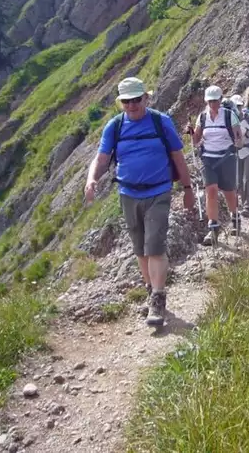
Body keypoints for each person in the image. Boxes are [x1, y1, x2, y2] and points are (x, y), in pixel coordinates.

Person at [84, 77, 194, 327]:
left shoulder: (160, 121)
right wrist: (91, 180)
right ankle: (150, 289)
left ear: (146, 97)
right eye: (127, 101)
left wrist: (187, 189)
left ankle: (157, 298)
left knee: (154, 244)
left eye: (136, 99)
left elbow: (178, 157)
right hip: (128, 193)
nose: (132, 105)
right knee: (140, 248)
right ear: (120, 102)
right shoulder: (115, 126)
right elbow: (102, 159)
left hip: (159, 192)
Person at [187, 85, 244, 245]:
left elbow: (239, 138)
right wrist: (191, 133)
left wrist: (237, 144)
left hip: (226, 157)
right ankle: (213, 228)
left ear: (220, 99)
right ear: (207, 101)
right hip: (208, 158)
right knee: (210, 191)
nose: (213, 104)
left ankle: (235, 216)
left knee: (228, 191)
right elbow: (196, 140)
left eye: (215, 100)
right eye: (210, 101)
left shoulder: (229, 115)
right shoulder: (202, 117)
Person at [230, 94, 249, 218]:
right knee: (238, 181)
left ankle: (248, 206)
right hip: (237, 152)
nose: (237, 108)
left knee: (247, 177)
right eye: (235, 106)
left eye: (239, 105)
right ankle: (243, 204)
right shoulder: (230, 120)